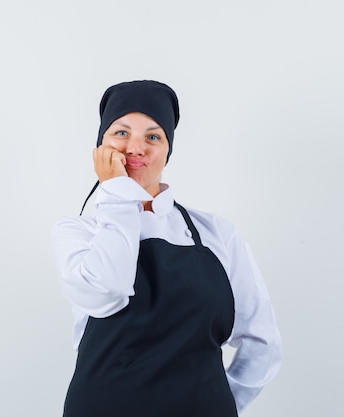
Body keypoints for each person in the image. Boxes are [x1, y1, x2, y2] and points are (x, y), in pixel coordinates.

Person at [50, 80, 282, 417]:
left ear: (168, 149)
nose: (136, 148)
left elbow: (263, 343)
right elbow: (107, 290)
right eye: (121, 133)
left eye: (153, 136)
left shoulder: (217, 234)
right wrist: (116, 193)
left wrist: (215, 403)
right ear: (100, 146)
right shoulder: (79, 232)